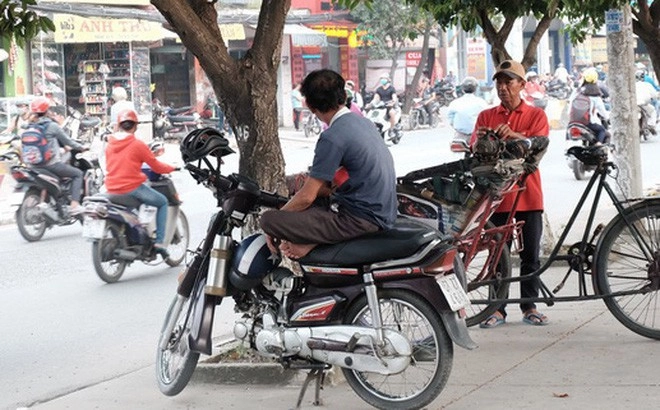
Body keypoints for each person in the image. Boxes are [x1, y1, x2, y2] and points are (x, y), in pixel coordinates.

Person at [260, 69, 397, 260]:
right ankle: (311, 240)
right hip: (383, 210)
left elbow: (306, 197)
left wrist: (276, 225)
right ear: (343, 95)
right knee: (310, 203)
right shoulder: (363, 123)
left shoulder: (332, 137)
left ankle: (310, 241)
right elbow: (331, 184)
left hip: (361, 219)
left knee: (269, 219)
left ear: (308, 104)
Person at [469, 60, 550, 328]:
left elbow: (536, 147)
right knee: (497, 256)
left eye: (509, 82)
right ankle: (497, 309)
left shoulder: (536, 116)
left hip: (528, 195)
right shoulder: (486, 116)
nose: (503, 88)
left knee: (531, 256)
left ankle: (529, 306)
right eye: (499, 82)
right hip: (496, 198)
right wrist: (484, 140)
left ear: (522, 85)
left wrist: (514, 135)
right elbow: (473, 149)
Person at [104, 109, 176, 257]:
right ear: (135, 126)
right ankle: (159, 242)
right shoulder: (137, 145)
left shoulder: (109, 144)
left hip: (110, 189)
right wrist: (172, 168)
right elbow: (156, 166)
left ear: (118, 126)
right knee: (162, 202)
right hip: (131, 189)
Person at [27, 97, 86, 214]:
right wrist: (82, 147)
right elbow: (68, 141)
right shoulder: (52, 126)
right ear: (47, 110)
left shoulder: (29, 126)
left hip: (33, 165)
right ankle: (75, 205)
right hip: (51, 165)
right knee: (77, 174)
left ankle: (48, 200)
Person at [569, 67, 610, 144]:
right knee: (602, 130)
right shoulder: (595, 94)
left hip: (573, 123)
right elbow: (602, 111)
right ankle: (598, 145)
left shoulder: (576, 91)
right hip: (588, 123)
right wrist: (607, 118)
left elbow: (570, 106)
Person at [446, 76, 488, 143]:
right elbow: (487, 118)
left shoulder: (455, 103)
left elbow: (450, 119)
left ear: (462, 89)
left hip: (460, 135)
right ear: (475, 89)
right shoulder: (482, 103)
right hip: (478, 135)